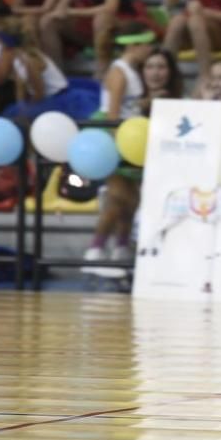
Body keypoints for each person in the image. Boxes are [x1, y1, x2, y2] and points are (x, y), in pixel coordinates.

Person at [87, 24, 158, 273]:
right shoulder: (119, 72)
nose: (150, 49)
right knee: (117, 199)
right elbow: (113, 114)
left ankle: (120, 247)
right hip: (115, 139)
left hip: (131, 139)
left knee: (132, 200)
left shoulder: (131, 71)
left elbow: (130, 106)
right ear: (133, 46)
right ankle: (94, 250)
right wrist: (121, 147)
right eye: (146, 44)